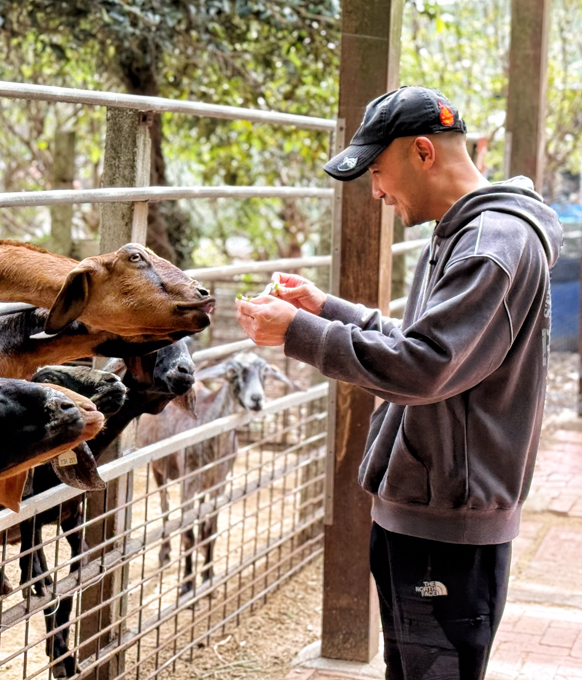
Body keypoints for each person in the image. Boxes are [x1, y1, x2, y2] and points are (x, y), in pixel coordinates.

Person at [235, 86, 562, 679]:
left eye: (379, 172)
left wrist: (300, 334)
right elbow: (429, 343)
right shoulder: (461, 231)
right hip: (420, 509)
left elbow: (425, 366)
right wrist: (326, 309)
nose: (378, 191)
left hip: (450, 526)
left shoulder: (492, 245)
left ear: (422, 152)